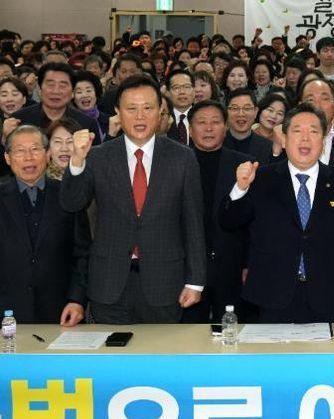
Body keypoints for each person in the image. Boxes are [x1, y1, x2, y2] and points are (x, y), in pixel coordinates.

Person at [60, 75, 206, 324]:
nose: (140, 116)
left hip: (164, 282)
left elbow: (193, 223)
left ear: (160, 111)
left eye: (148, 108)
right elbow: (72, 203)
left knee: (161, 348)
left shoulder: (182, 158)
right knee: (109, 349)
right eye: (131, 108)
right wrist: (76, 162)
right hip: (109, 282)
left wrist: (195, 281)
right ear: (118, 112)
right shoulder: (98, 156)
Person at [218, 103, 334, 322]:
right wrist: (240, 188)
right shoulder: (261, 179)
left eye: (313, 132)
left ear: (323, 141)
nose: (305, 139)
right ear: (284, 138)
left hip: (329, 295)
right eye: (297, 131)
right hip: (271, 295)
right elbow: (229, 221)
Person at [0, 124, 90, 324]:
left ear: (48, 154)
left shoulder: (68, 195)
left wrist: (77, 300)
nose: (28, 157)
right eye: (20, 151)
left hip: (61, 312)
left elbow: (83, 253)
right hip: (6, 314)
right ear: (7, 158)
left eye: (35, 149)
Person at [184, 99, 250, 323]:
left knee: (231, 331)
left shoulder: (243, 165)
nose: (209, 128)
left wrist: (249, 263)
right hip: (186, 268)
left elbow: (254, 222)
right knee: (189, 334)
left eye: (215, 122)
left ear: (226, 127)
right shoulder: (177, 163)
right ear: (190, 130)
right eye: (201, 122)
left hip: (232, 267)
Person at [7, 62, 102, 147]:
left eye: (63, 85)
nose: (56, 91)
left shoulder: (87, 124)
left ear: (72, 92)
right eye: (50, 85)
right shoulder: (19, 120)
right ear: (39, 89)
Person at [223, 88, 274, 164]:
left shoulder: (268, 147)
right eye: (235, 108)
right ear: (226, 112)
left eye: (247, 108)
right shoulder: (217, 144)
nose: (241, 114)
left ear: (255, 112)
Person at [165, 69, 195, 146]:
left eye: (187, 87)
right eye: (176, 87)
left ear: (194, 91)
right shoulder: (162, 119)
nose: (182, 92)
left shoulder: (202, 115)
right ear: (167, 93)